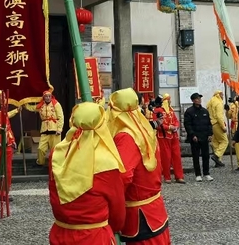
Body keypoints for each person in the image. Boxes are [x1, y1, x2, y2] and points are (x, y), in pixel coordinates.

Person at [49, 102, 126, 245]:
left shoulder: (57, 152)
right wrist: (115, 227)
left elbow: (54, 193)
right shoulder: (106, 161)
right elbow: (117, 208)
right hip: (94, 236)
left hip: (61, 233)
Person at [108, 88, 171, 244]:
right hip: (153, 208)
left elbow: (123, 176)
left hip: (140, 215)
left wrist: (110, 203)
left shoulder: (126, 136)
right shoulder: (144, 128)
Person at [154, 94, 185, 184]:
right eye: (168, 100)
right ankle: (167, 176)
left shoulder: (171, 110)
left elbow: (176, 120)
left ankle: (179, 176)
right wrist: (169, 127)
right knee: (166, 157)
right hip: (163, 136)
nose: (170, 101)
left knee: (177, 156)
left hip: (174, 136)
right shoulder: (157, 111)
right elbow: (158, 124)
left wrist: (176, 126)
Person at [183, 92, 213, 182]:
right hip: (195, 138)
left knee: (206, 156)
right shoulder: (189, 111)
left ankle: (206, 173)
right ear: (193, 100)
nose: (199, 100)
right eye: (197, 98)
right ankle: (198, 174)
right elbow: (187, 125)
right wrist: (192, 135)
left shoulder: (204, 111)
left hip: (204, 136)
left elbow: (209, 124)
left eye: (199, 98)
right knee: (196, 156)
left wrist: (210, 134)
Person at [30, 90, 64, 166]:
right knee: (40, 148)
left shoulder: (56, 104)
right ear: (44, 97)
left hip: (55, 130)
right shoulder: (41, 105)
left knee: (55, 149)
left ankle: (56, 164)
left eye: (49, 96)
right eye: (46, 96)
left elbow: (61, 117)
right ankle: (40, 162)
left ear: (51, 97)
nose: (48, 98)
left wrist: (59, 129)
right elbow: (32, 108)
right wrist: (23, 104)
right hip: (44, 130)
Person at [206, 90, 228, 168]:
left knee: (215, 143)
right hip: (218, 124)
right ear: (219, 95)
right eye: (222, 95)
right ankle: (217, 156)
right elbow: (219, 116)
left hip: (212, 124)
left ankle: (218, 162)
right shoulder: (218, 103)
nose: (223, 96)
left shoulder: (210, 102)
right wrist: (223, 127)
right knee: (224, 141)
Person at [227, 97, 239, 171]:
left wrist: (235, 102)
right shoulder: (232, 105)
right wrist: (227, 110)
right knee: (237, 148)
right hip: (234, 128)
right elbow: (228, 116)